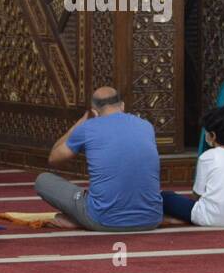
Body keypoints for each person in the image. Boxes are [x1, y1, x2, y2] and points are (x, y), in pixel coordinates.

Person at [36, 86, 162, 231]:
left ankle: (81, 219)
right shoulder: (146, 126)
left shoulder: (88, 127)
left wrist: (81, 122)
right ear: (122, 106)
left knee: (43, 180)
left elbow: (54, 158)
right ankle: (82, 217)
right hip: (152, 219)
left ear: (95, 112)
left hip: (103, 220)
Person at [161, 106, 224, 227]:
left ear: (212, 135)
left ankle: (179, 219)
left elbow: (197, 194)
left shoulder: (207, 157)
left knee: (165, 197)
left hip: (211, 218)